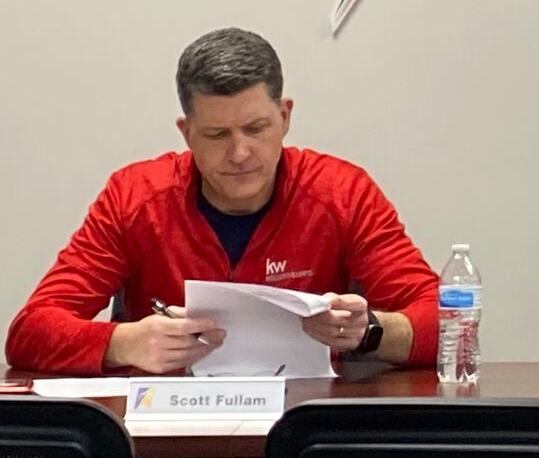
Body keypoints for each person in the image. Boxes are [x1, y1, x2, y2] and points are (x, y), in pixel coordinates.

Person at [6, 28, 438, 375]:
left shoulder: (342, 193)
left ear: (285, 117)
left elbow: (449, 323)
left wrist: (371, 332)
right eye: (217, 135)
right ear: (186, 132)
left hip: (302, 426)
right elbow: (29, 332)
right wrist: (124, 342)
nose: (240, 153)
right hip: (168, 431)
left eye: (256, 128)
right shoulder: (135, 197)